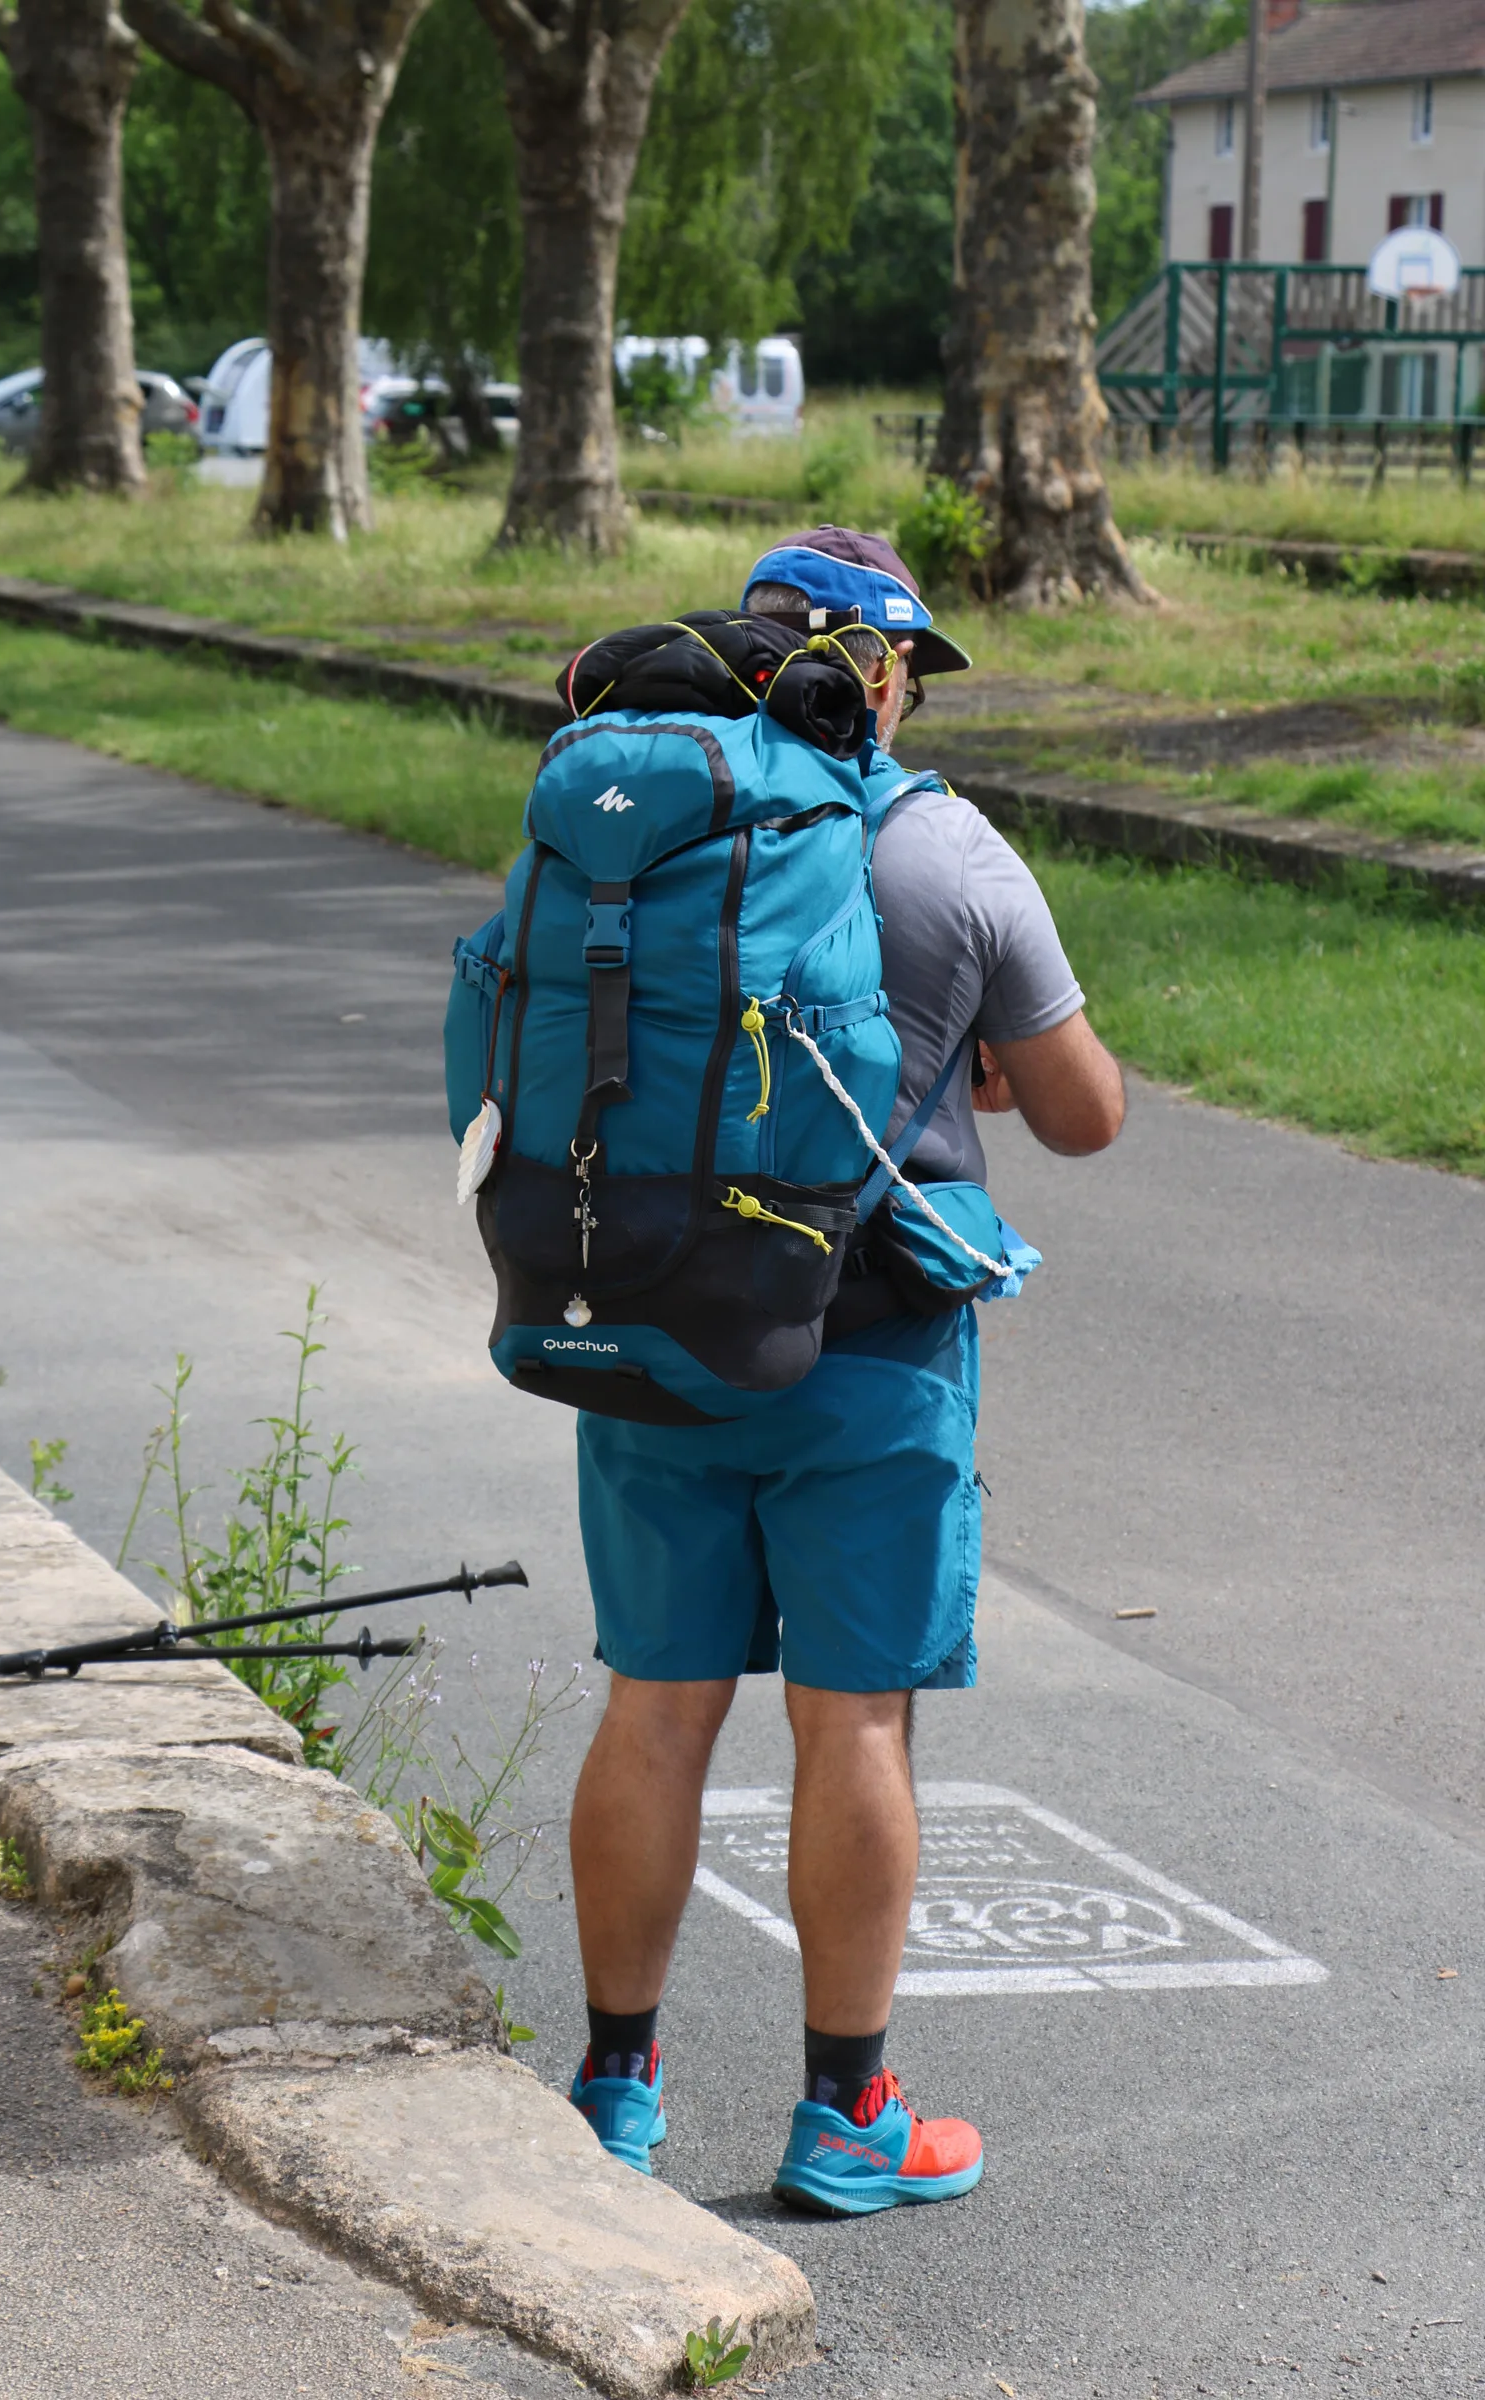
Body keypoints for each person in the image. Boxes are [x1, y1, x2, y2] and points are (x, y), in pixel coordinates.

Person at [565, 525, 1125, 2215]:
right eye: (909, 666)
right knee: (851, 1719)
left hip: (653, 1332)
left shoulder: (638, 816)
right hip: (867, 1346)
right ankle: (846, 2113)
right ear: (874, 669)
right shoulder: (949, 851)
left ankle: (612, 2092)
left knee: (659, 1708)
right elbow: (1084, 1110)